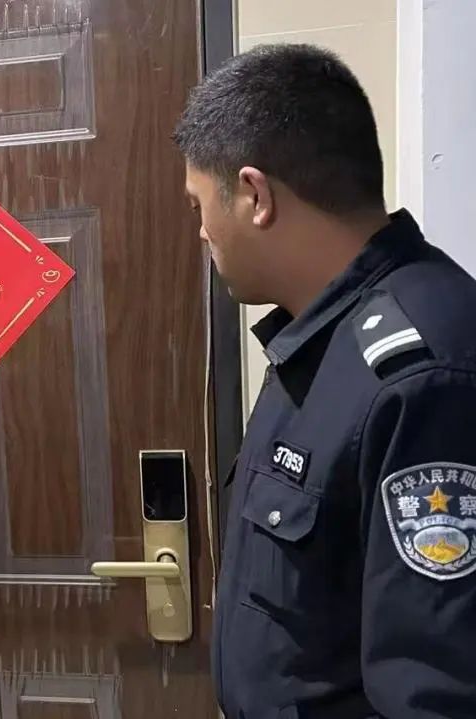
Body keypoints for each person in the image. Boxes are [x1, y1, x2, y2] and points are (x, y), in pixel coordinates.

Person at [175, 44, 476, 716]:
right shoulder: (323, 337)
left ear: (255, 196)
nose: (202, 232)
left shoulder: (422, 376)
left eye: (200, 205)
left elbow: (438, 691)